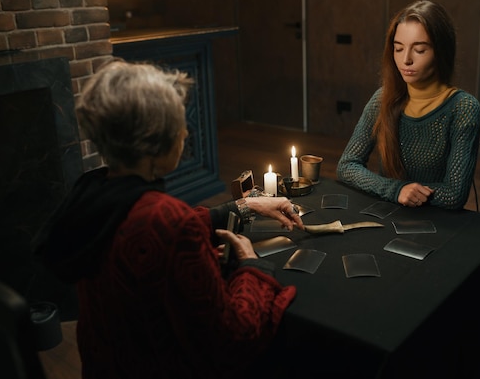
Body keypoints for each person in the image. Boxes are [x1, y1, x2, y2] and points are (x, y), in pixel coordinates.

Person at [34, 60, 304, 379]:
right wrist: (251, 265)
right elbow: (232, 338)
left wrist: (246, 206)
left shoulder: (91, 191)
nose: (186, 132)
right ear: (154, 141)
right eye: (179, 125)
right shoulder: (167, 221)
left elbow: (147, 223)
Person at [337, 0, 480, 210]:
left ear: (441, 51)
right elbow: (347, 166)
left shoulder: (463, 108)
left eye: (420, 50)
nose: (406, 60)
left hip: (438, 224)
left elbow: (453, 194)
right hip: (387, 212)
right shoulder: (382, 99)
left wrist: (405, 192)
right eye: (398, 48)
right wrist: (396, 190)